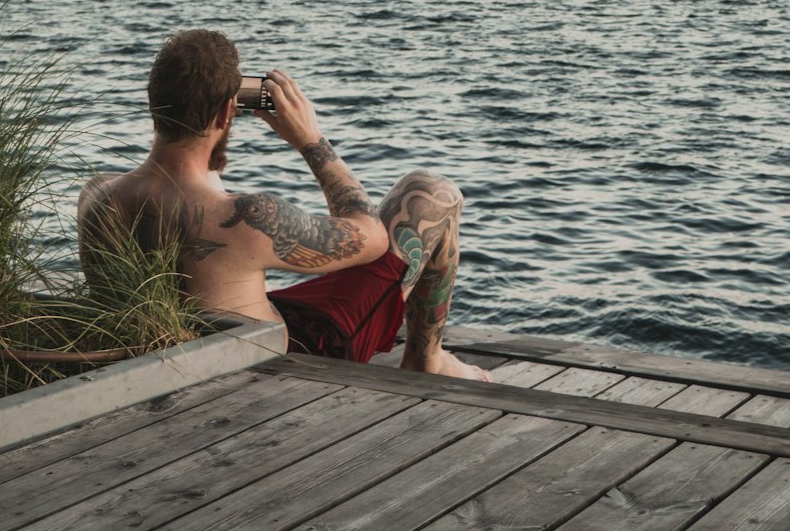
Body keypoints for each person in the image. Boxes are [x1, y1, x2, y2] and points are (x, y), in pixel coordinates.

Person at [77, 29, 490, 381]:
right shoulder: (246, 219)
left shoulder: (96, 197)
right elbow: (374, 237)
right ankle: (426, 360)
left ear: (154, 103)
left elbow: (181, 192)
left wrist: (212, 150)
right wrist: (311, 140)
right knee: (430, 192)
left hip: (181, 358)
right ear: (227, 111)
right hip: (282, 362)